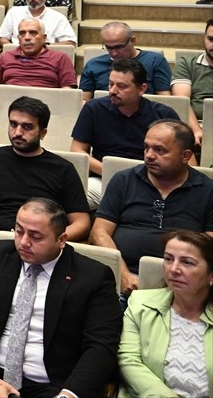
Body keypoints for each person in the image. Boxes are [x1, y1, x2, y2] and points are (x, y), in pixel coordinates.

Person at [0, 199, 122, 398]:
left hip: (53, 384)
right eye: (19, 231)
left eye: (36, 236)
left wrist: (68, 395)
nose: (24, 242)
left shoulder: (93, 277)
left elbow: (101, 345)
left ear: (61, 240)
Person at [91, 120, 213, 295]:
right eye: (146, 147)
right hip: (121, 280)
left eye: (159, 150)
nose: (149, 155)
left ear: (185, 156)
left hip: (182, 287)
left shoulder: (208, 190)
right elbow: (99, 233)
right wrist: (123, 275)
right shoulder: (123, 180)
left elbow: (209, 249)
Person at [0, 96, 91, 242]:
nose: (18, 132)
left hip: (42, 246)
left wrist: (45, 241)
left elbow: (82, 223)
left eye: (27, 127)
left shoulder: (63, 169)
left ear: (43, 133)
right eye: (13, 124)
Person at [72, 59, 181, 208]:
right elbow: (77, 150)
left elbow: (185, 158)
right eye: (111, 84)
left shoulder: (163, 114)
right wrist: (112, 172)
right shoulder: (94, 108)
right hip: (104, 178)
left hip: (152, 181)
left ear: (141, 89)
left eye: (121, 86)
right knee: (73, 197)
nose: (113, 91)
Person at [117, 230, 213, 398]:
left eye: (187, 262)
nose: (174, 269)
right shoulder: (140, 303)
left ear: (211, 274)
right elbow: (128, 360)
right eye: (168, 259)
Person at [80, 21, 172, 100]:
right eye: (109, 47)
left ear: (133, 41)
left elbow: (165, 98)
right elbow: (84, 100)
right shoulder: (93, 65)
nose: (114, 53)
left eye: (119, 47)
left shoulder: (155, 61)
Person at [172, 18, 213, 134]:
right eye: (211, 39)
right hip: (196, 125)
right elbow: (182, 102)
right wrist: (196, 130)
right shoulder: (187, 63)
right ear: (204, 38)